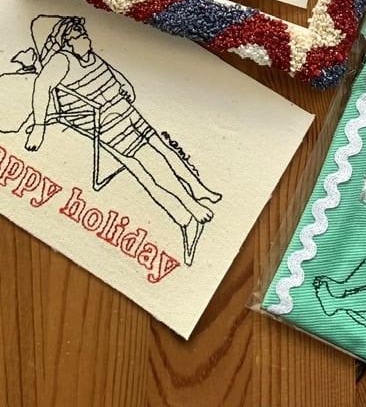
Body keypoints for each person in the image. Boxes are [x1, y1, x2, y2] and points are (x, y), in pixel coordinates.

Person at [23, 15, 220, 265]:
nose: (84, 37)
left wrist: (124, 85)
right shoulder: (61, 61)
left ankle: (199, 190)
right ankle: (190, 207)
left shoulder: (89, 55)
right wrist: (39, 126)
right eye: (77, 36)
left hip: (123, 108)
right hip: (104, 121)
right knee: (149, 161)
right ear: (66, 42)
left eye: (83, 33)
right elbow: (42, 87)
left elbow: (111, 72)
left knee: (162, 146)